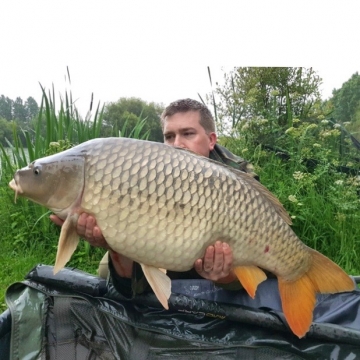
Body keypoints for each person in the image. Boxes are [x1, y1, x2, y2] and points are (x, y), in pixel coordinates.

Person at [50, 98, 258, 297]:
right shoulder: (152, 170)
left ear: (211, 140)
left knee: (239, 277)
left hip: (222, 255)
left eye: (187, 134)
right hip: (170, 247)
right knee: (106, 269)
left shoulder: (238, 175)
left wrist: (225, 277)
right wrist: (113, 241)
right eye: (169, 136)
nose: (177, 144)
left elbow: (257, 252)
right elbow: (138, 234)